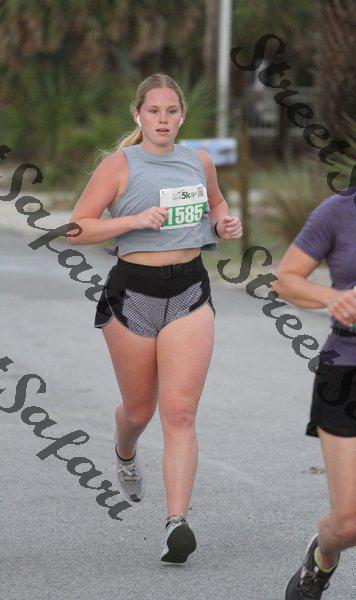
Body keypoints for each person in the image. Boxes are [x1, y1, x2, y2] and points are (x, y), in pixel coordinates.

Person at [68, 73, 242, 563]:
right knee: (139, 410)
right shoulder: (119, 165)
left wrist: (224, 223)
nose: (162, 120)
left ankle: (176, 524)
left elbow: (216, 203)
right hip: (133, 294)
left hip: (189, 290)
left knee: (180, 412)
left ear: (182, 116)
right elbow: (77, 228)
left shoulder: (199, 160)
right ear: (138, 115)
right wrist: (134, 220)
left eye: (170, 111)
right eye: (153, 111)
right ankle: (125, 451)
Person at [273, 108, 356, 599]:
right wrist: (331, 298)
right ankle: (321, 556)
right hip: (349, 377)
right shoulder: (338, 213)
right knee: (351, 523)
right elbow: (286, 280)